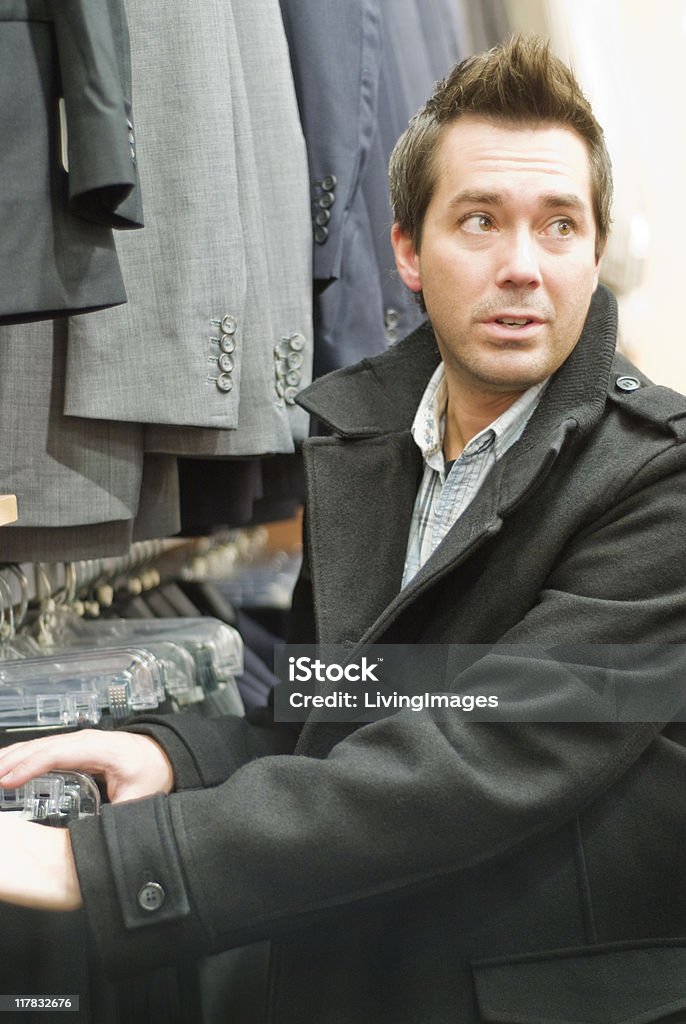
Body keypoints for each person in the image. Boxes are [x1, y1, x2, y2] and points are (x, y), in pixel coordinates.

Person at [2, 34, 686, 1023]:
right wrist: (181, 754)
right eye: (479, 221)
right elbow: (352, 696)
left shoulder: (656, 474)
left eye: (557, 226)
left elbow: (481, 754)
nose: (521, 268)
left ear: (590, 250)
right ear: (406, 251)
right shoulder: (366, 438)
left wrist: (104, 862)